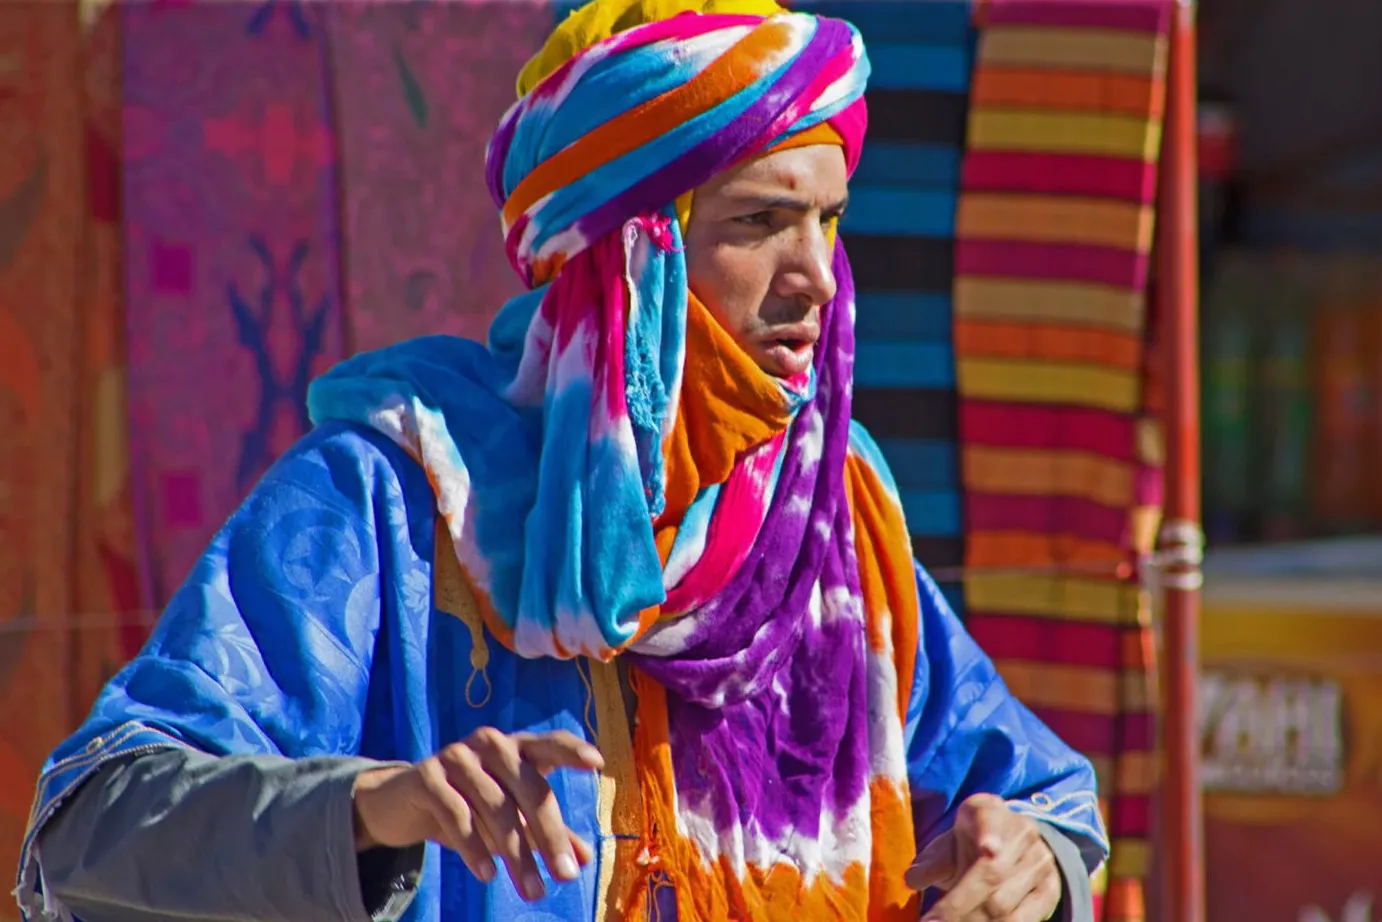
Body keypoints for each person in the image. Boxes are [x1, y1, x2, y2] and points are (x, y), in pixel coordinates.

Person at [15, 2, 1108, 921]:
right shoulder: (395, 497)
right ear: (635, 250)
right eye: (763, 220)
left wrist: (1032, 859)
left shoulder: (828, 507)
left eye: (828, 218)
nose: (817, 274)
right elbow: (91, 828)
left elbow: (1041, 793)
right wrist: (377, 807)